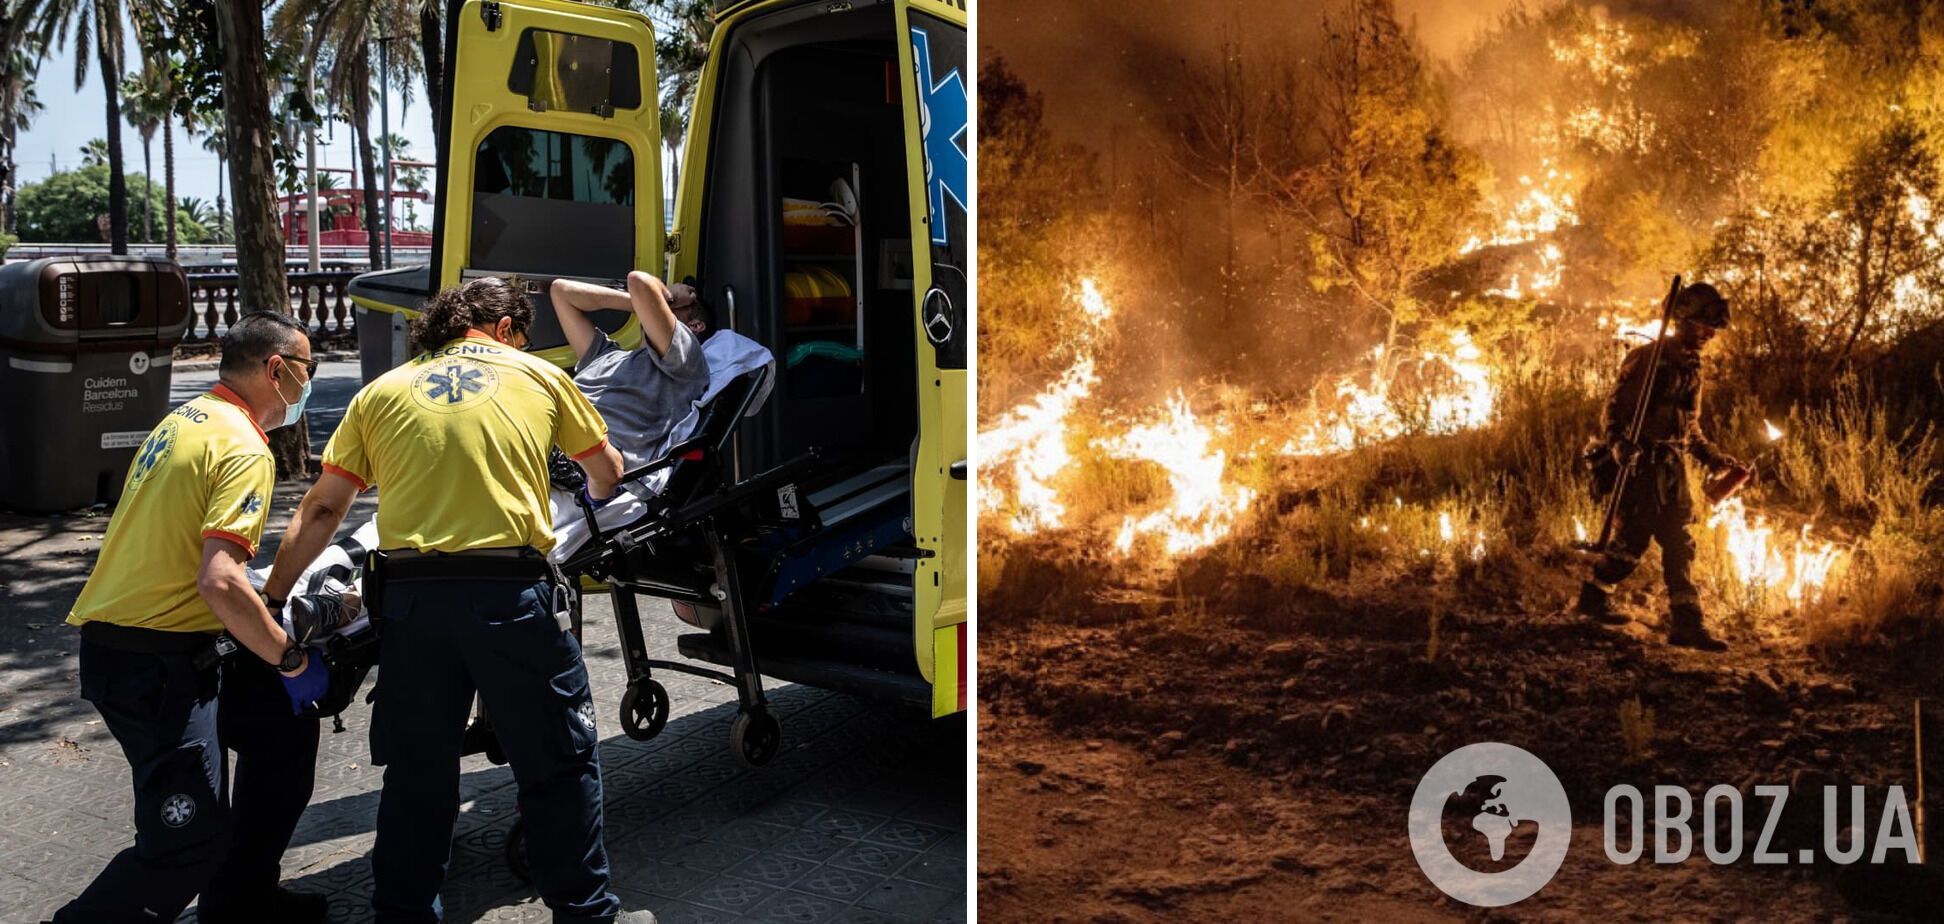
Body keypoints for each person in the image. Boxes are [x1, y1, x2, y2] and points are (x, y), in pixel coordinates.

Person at [259, 277, 653, 923]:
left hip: (412, 609)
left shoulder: (380, 392)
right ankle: (584, 914)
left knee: (417, 779)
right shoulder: (540, 376)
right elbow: (606, 472)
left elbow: (326, 506)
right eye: (521, 333)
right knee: (558, 766)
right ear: (505, 329)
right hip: (510, 599)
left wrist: (276, 596)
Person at [54, 311, 331, 924]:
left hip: (148, 644)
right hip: (152, 663)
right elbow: (221, 580)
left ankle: (242, 903)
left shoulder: (185, 421)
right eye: (308, 369)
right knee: (188, 843)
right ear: (277, 370)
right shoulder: (242, 446)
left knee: (280, 739)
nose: (310, 382)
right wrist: (288, 655)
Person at [1573, 282, 1742, 651]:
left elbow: (1689, 426)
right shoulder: (1647, 359)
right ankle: (1592, 602)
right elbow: (1614, 412)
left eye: (1712, 327)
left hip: (1671, 467)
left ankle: (1687, 625)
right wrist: (1619, 446)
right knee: (1632, 542)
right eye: (1703, 325)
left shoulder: (1692, 365)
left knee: (1680, 543)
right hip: (1641, 465)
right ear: (1682, 320)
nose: (1709, 334)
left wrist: (1713, 458)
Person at [550, 272, 710, 471]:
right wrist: (648, 303)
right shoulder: (605, 355)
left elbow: (639, 282)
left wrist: (668, 296)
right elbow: (561, 292)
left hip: (586, 466)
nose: (659, 306)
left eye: (669, 308)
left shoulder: (684, 362)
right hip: (544, 442)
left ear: (694, 326)